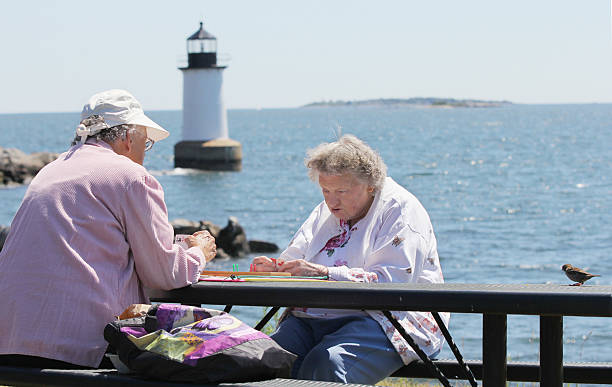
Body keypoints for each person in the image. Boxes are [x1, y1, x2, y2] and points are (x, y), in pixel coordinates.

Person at [0, 89, 216, 369]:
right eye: (146, 142)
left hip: (12, 340)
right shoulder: (131, 176)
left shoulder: (51, 170)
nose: (145, 152)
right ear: (127, 138)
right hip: (83, 346)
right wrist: (198, 253)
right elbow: (164, 273)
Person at [251, 134, 449, 384]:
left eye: (341, 191)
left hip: (385, 317)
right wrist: (275, 269)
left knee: (327, 362)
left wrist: (322, 273)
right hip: (314, 315)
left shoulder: (401, 209)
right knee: (266, 360)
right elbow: (296, 259)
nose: (331, 201)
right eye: (325, 190)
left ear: (371, 185)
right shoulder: (325, 211)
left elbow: (392, 284)